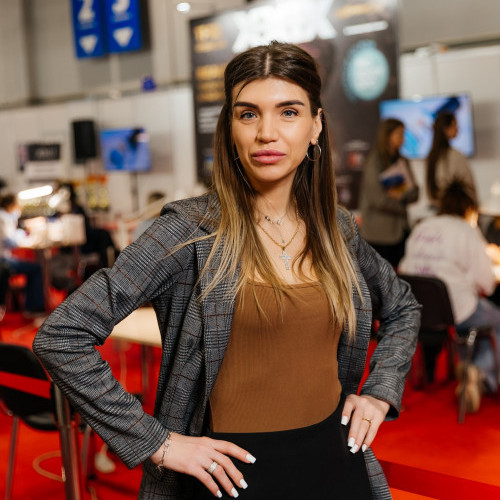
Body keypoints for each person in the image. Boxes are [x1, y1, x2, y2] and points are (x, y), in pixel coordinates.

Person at [33, 42, 420, 500]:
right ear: (230, 127)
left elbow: (403, 307)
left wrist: (379, 391)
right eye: (248, 114)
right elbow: (62, 335)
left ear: (316, 125)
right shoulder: (189, 231)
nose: (267, 133)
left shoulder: (334, 228)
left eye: (289, 112)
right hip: (233, 478)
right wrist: (157, 443)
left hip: (335, 465)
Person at [399, 181, 500, 411]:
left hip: (419, 312)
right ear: (469, 209)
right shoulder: (466, 231)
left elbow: (404, 268)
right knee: (493, 319)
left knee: (471, 319)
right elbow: (487, 283)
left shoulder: (422, 227)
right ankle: (479, 372)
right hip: (458, 310)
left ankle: (469, 370)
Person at [359, 118, 419, 268]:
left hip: (401, 231)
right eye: (398, 134)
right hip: (379, 234)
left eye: (403, 134)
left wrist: (400, 195)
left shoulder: (402, 161)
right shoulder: (374, 162)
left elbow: (415, 192)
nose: (402, 139)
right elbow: (378, 199)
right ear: (387, 135)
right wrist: (402, 205)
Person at [0, 193, 45, 315]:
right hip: (3, 260)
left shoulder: (5, 217)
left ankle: (32, 306)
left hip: (4, 257)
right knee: (36, 269)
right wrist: (23, 232)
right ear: (11, 205)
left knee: (33, 268)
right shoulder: (3, 217)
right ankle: (34, 307)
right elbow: (10, 241)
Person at [426, 111, 477, 208]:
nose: (457, 129)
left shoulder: (432, 155)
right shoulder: (454, 155)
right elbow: (468, 185)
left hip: (440, 208)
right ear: (445, 129)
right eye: (454, 125)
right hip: (456, 207)